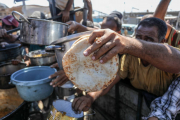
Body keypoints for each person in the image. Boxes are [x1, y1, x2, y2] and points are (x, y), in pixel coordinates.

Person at [72, 17, 180, 118]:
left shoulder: (169, 58)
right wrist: (90, 97)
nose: (141, 42)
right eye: (138, 38)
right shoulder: (131, 56)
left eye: (148, 39)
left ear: (162, 42)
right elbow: (114, 78)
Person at [49, 11, 122, 88]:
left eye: (108, 32)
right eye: (102, 29)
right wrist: (70, 64)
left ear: (119, 33)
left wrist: (72, 71)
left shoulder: (121, 50)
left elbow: (105, 74)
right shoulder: (96, 44)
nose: (103, 35)